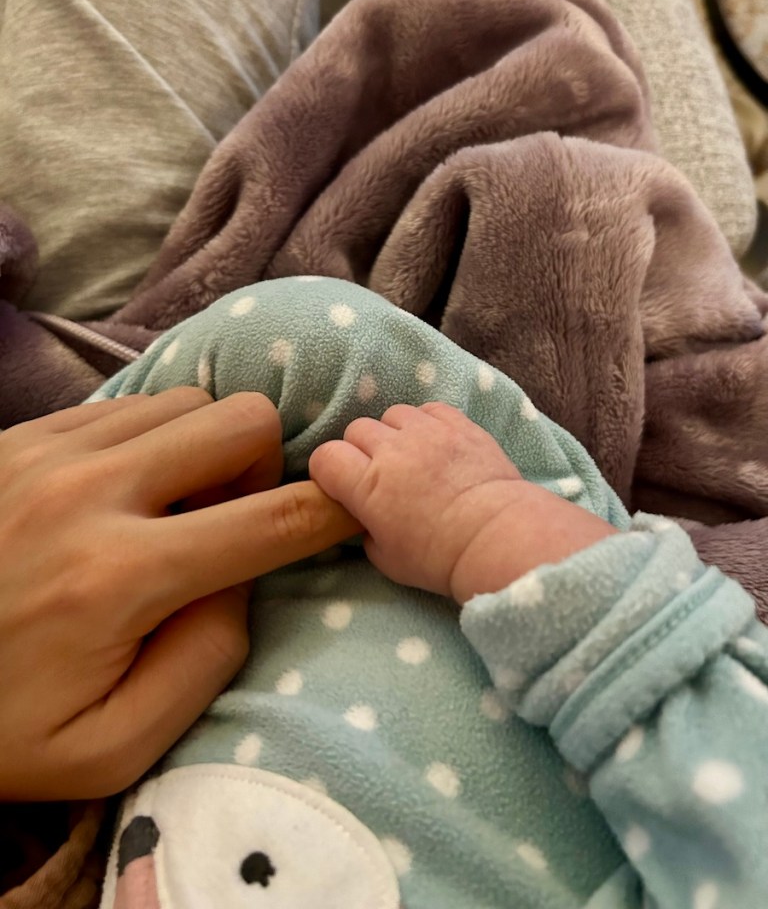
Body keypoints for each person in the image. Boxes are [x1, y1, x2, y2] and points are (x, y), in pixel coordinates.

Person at [28, 275, 763, 908]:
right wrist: (484, 521)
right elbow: (735, 783)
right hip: (509, 583)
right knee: (298, 340)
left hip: (85, 751)